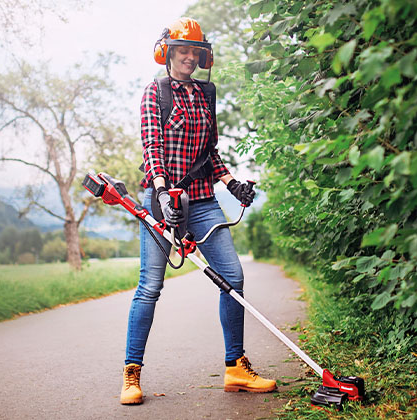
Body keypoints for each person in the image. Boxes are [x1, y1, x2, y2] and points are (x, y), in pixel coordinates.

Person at [120, 17, 276, 405]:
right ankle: (131, 374)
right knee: (150, 287)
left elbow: (210, 155)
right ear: (168, 52)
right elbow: (152, 150)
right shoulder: (154, 93)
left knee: (234, 278)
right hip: (162, 201)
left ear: (202, 56)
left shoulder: (206, 95)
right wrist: (162, 194)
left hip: (204, 199)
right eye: (183, 50)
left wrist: (230, 183)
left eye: (195, 51)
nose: (189, 57)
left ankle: (235, 368)